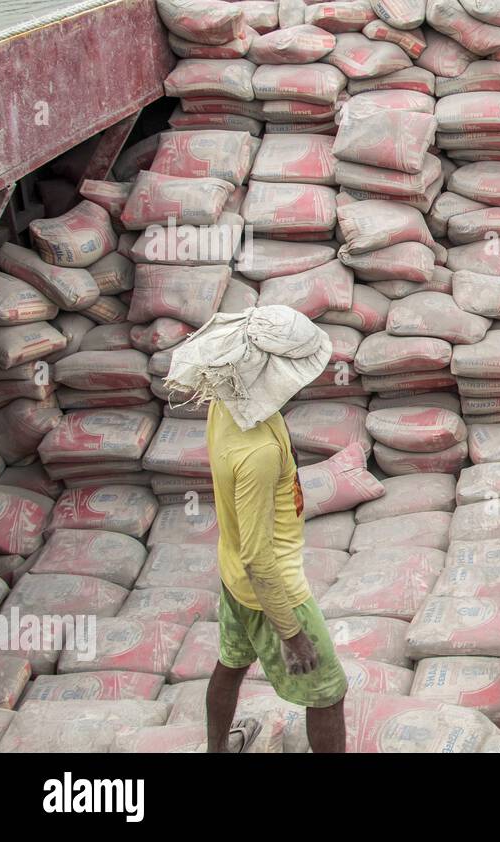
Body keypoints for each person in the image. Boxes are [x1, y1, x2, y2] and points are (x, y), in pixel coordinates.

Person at [165, 305, 347, 753]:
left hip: (233, 579)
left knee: (231, 662)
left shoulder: (228, 404)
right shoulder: (259, 453)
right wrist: (291, 634)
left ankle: (215, 749)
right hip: (273, 589)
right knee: (328, 694)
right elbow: (259, 557)